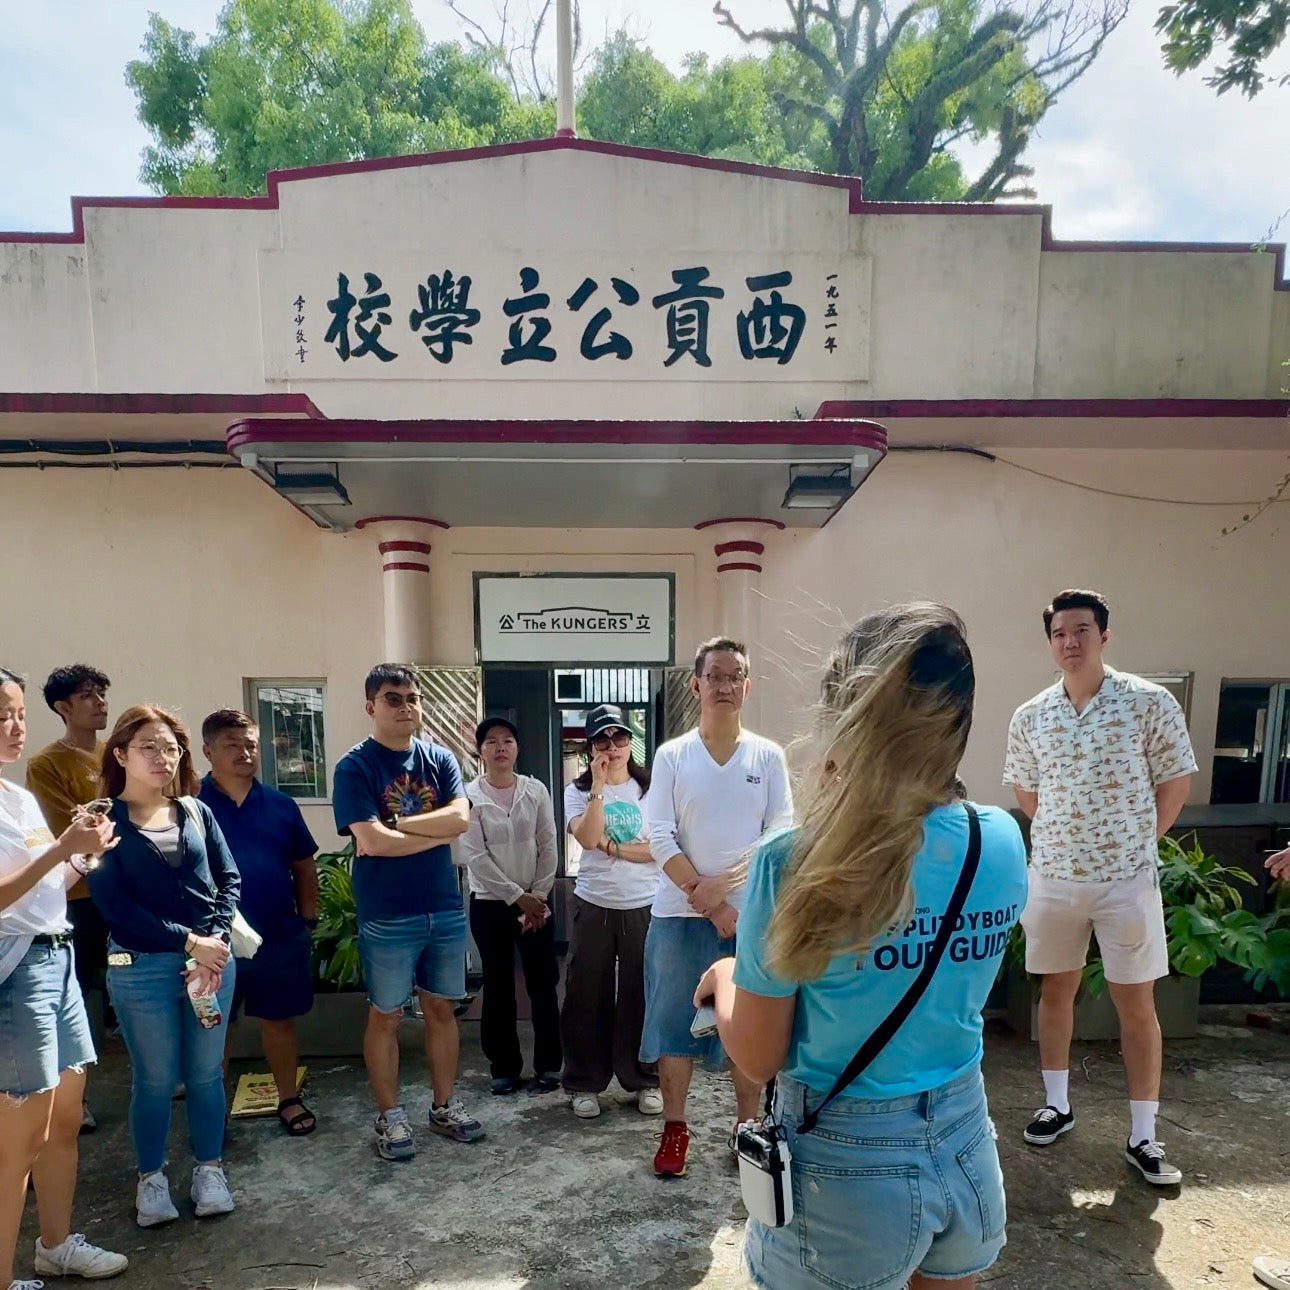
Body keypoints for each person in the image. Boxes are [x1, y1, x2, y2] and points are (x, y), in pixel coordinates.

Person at [695, 605, 1028, 1290]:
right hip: (966, 1137)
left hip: (844, 1167)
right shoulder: (998, 837)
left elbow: (758, 1057)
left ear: (845, 712)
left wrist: (726, 975)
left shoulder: (795, 859)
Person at [1004, 588, 1196, 1186]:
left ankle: (1144, 1135)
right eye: (1060, 633)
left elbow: (1175, 782)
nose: (1070, 642)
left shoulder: (1148, 702)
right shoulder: (1031, 714)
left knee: (1135, 1003)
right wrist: (1067, 839)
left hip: (1125, 881)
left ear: (1103, 636)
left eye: (1082, 630)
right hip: (1055, 879)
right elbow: (1028, 794)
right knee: (1054, 993)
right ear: (1051, 641)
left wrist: (1136, 841)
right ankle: (1056, 1105)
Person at [86, 704, 241, 1227]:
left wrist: (214, 942)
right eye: (148, 747)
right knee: (153, 1080)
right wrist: (191, 941)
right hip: (141, 969)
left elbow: (228, 878)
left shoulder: (196, 811)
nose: (162, 757)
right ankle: (151, 1179)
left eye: (170, 748)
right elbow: (115, 906)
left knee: (204, 1076)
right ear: (121, 754)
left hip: (210, 968)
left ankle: (209, 1170)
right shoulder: (101, 820)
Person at [644, 637, 793, 1177]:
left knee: (748, 1027)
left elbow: (780, 835)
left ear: (746, 687)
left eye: (735, 676)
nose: (724, 685)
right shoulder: (671, 755)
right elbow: (657, 833)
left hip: (748, 916)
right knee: (673, 1026)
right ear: (697, 684)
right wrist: (707, 903)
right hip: (679, 915)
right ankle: (674, 1130)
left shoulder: (768, 756)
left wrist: (726, 890)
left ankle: (746, 1130)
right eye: (715, 675)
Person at [0, 667, 128, 1289]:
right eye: (4, 714)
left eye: (19, 712)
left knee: (66, 1118)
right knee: (19, 1137)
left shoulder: (18, 799)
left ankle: (54, 1245)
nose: (15, 725)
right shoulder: (27, 789)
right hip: (18, 967)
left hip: (60, 954)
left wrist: (87, 851)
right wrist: (59, 852)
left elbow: (51, 886)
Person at [331, 664, 483, 1161]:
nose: (405, 707)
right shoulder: (355, 767)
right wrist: (429, 832)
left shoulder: (439, 759)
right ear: (370, 706)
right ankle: (390, 1117)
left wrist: (399, 825)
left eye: (412, 698)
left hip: (442, 907)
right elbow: (369, 841)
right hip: (388, 913)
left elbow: (461, 818)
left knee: (442, 1009)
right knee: (387, 1014)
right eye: (393, 699)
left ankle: (443, 1107)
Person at [199, 709, 319, 1135]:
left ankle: (288, 1098)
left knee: (279, 1021)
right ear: (208, 750)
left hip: (277, 935)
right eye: (233, 744)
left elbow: (304, 866)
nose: (245, 752)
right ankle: (211, 1111)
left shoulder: (281, 806)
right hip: (213, 940)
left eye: (251, 744)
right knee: (216, 1027)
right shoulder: (191, 808)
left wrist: (307, 920)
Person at [560, 704, 662, 1120]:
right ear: (590, 747)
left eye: (620, 738)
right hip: (594, 903)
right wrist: (599, 788)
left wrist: (613, 847)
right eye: (603, 740)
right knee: (587, 995)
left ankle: (643, 1078)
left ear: (630, 742)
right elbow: (585, 838)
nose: (613, 747)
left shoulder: (651, 789)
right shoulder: (578, 791)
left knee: (641, 993)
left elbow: (658, 849)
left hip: (644, 905)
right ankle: (585, 1082)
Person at [25, 664, 113, 1134]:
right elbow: (73, 831)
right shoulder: (46, 765)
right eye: (87, 695)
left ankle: (162, 1077)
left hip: (126, 889)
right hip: (79, 895)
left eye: (101, 692)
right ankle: (77, 1097)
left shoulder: (115, 753)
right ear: (62, 708)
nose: (99, 702)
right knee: (83, 992)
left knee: (137, 982)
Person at [459, 716, 562, 1096]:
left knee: (543, 984)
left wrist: (537, 896)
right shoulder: (469, 795)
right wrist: (517, 898)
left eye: (507, 741)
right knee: (499, 987)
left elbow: (549, 843)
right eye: (491, 742)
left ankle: (550, 1064)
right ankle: (503, 1067)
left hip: (537, 903)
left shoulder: (535, 790)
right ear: (480, 750)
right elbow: (476, 856)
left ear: (517, 748)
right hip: (490, 905)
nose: (500, 747)